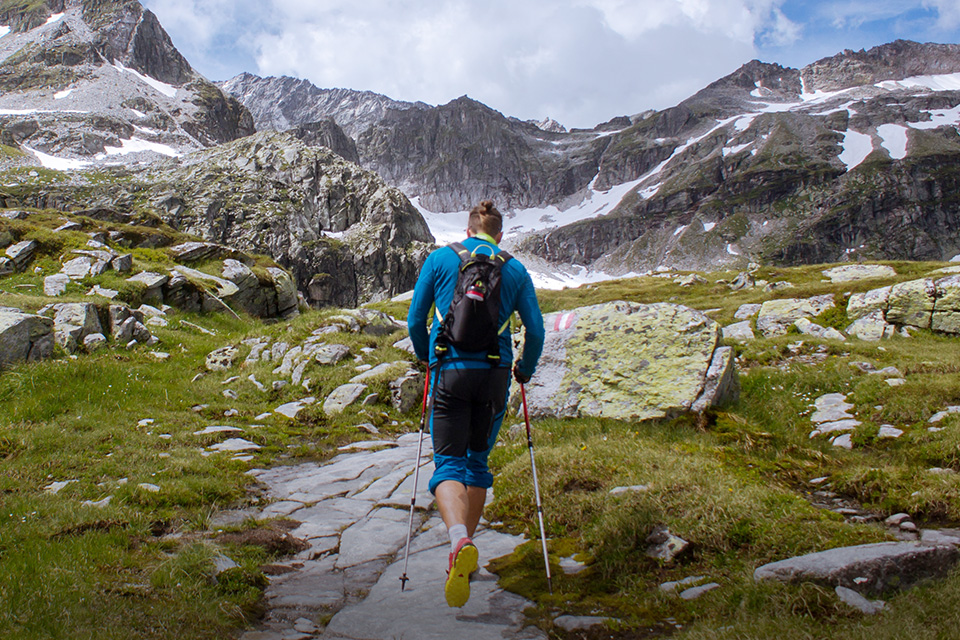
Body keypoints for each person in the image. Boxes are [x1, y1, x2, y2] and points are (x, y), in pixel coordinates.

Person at [407, 200, 544, 608]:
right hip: (495, 375)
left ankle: (457, 541)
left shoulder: (439, 259)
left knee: (448, 463)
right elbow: (535, 331)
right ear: (499, 236)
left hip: (449, 370)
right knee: (477, 463)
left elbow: (416, 319)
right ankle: (463, 559)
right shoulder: (515, 269)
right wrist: (525, 369)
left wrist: (425, 355)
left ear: (467, 232)